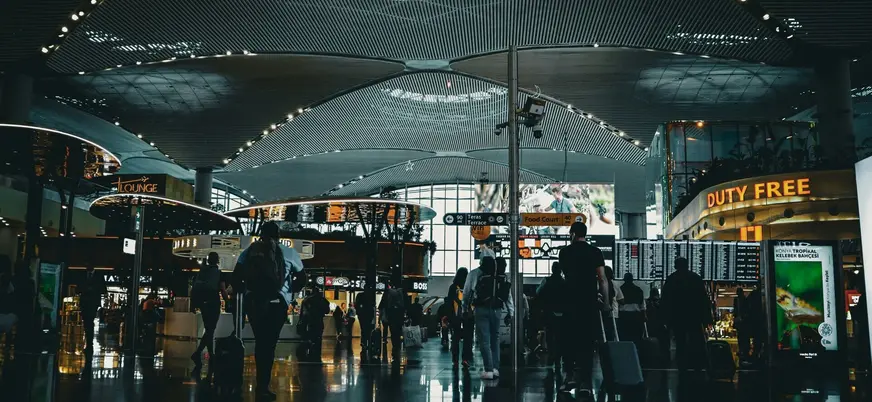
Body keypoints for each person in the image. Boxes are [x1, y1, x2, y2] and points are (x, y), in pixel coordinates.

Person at [232, 221, 304, 400]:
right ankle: (263, 386)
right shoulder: (289, 252)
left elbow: (236, 277)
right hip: (277, 303)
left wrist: (246, 293)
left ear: (261, 234)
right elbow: (302, 278)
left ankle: (260, 385)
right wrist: (288, 292)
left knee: (260, 341)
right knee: (269, 344)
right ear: (278, 235)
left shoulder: (249, 252)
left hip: (254, 302)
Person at [557, 222, 610, 396]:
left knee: (568, 342)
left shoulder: (564, 252)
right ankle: (586, 382)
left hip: (569, 303)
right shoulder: (595, 252)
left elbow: (566, 276)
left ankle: (570, 377)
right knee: (587, 343)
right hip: (589, 304)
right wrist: (606, 303)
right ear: (585, 234)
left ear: (572, 234)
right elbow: (602, 279)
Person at [463, 257, 514, 380]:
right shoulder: (500, 277)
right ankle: (495, 368)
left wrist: (465, 308)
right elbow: (508, 296)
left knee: (484, 340)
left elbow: (466, 293)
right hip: (497, 310)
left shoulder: (475, 274)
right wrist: (511, 312)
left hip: (481, 309)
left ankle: (489, 369)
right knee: (495, 338)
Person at [661, 257, 712, 371]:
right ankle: (697, 364)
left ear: (675, 266)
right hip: (694, 316)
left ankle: (682, 365)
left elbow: (665, 301)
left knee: (680, 341)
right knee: (696, 340)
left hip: (677, 317)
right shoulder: (695, 278)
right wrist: (707, 318)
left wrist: (665, 319)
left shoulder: (671, 279)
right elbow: (703, 300)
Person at [191, 252, 225, 371]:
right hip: (214, 302)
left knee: (208, 328)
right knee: (211, 329)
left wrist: (194, 304)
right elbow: (222, 289)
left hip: (203, 303)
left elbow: (194, 288)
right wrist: (228, 301)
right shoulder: (218, 273)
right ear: (217, 260)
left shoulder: (201, 272)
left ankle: (210, 354)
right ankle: (200, 353)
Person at [536, 261, 567, 372]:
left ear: (552, 270)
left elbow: (538, 292)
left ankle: (551, 354)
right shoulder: (565, 282)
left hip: (549, 311)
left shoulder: (546, 280)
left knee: (550, 334)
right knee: (561, 335)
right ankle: (559, 355)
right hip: (563, 313)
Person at [445, 267, 473, 368]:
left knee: (455, 338)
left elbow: (448, 302)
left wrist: (448, 316)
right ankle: (465, 359)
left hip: (455, 316)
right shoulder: (469, 286)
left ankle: (455, 359)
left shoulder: (453, 287)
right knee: (468, 338)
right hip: (468, 316)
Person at [79, 265, 107, 350]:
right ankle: (88, 340)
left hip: (92, 303)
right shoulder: (82, 275)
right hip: (85, 303)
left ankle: (89, 341)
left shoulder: (98, 276)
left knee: (89, 321)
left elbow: (103, 289)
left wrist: (93, 290)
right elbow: (78, 288)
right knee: (86, 321)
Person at [378, 281, 407, 362]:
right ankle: (397, 346)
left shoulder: (387, 292)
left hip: (390, 315)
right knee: (398, 331)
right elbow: (407, 305)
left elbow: (382, 305)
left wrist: (381, 317)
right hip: (400, 316)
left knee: (393, 331)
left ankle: (395, 347)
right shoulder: (402, 292)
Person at [300, 288, 330, 360]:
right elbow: (327, 311)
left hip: (310, 321)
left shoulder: (307, 300)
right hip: (319, 320)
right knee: (318, 336)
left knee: (310, 335)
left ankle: (311, 350)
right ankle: (317, 353)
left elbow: (303, 312)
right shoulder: (323, 300)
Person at [618, 272, 646, 345]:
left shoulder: (620, 289)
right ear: (632, 280)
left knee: (624, 339)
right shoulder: (638, 290)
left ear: (624, 280)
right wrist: (644, 316)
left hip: (623, 317)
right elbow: (642, 306)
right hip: (636, 317)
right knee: (636, 339)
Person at [645, 287, 670, 365]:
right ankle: (665, 358)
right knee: (664, 343)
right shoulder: (661, 302)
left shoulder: (648, 302)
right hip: (661, 325)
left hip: (651, 324)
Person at [602, 266, 623, 341]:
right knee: (612, 334)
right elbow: (621, 300)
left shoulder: (599, 283)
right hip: (613, 313)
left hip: (601, 313)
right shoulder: (615, 284)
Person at [355, 291, 377, 359]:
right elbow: (373, 305)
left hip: (362, 315)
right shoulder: (370, 296)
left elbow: (357, 305)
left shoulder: (360, 295)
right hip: (368, 315)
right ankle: (367, 341)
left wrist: (359, 312)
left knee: (363, 329)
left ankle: (364, 342)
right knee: (368, 329)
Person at [733, 287, 750, 360]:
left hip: (744, 321)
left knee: (744, 337)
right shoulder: (737, 300)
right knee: (741, 336)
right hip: (740, 321)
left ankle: (744, 350)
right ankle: (742, 350)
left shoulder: (745, 300)